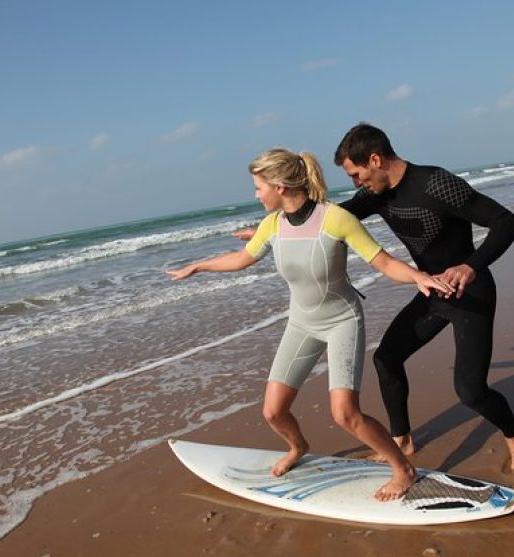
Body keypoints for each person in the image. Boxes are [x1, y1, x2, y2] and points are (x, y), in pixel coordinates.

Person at [236, 125, 514, 472]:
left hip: (470, 293)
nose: (356, 182)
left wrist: (470, 266)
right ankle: (402, 440)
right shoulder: (376, 194)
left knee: (470, 390)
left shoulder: (436, 184)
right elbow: (330, 218)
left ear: (375, 159)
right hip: (431, 291)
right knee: (387, 359)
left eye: (356, 173)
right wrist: (273, 229)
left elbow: (506, 222)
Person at [167, 148, 454, 501]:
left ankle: (403, 468)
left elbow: (381, 260)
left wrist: (417, 277)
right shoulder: (273, 226)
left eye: (259, 187)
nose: (256, 195)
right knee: (273, 411)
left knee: (345, 414)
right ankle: (297, 447)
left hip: (341, 322)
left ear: (280, 186)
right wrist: (198, 266)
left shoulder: (334, 219)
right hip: (301, 324)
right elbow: (242, 258)